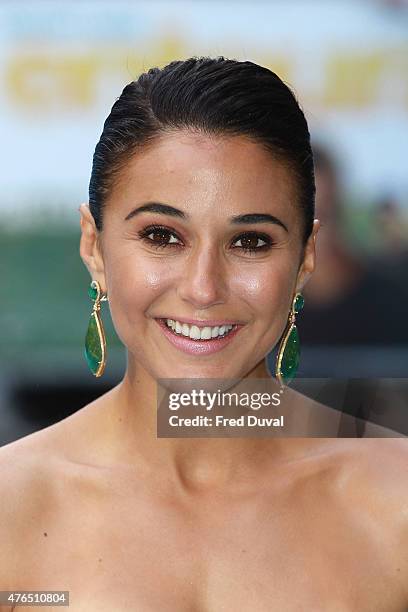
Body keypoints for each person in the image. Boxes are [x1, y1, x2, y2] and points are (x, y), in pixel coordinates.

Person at [0, 57, 407, 611]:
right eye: (163, 235)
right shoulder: (11, 511)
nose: (203, 287)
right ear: (94, 247)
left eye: (251, 242)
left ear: (305, 258)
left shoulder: (396, 505)